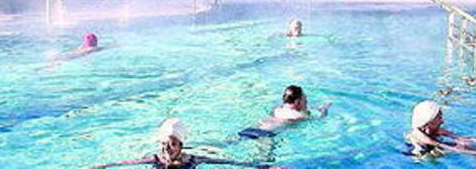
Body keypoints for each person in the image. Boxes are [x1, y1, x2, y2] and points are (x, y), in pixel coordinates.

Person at [87, 118, 282, 169]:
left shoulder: (193, 160)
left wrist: (266, 166)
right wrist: (101, 166)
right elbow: (125, 164)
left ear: (181, 145)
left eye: (171, 144)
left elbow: (232, 164)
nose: (166, 149)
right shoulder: (156, 159)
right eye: (163, 144)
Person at [405, 100, 476, 159]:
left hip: (436, 145)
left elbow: (462, 138)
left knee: (465, 144)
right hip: (421, 153)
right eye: (439, 118)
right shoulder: (419, 135)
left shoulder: (435, 128)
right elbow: (445, 146)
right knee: (440, 154)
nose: (443, 121)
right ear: (429, 121)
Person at [240, 85, 331, 139]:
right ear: (297, 101)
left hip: (251, 128)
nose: (307, 102)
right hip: (266, 134)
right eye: (305, 99)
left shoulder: (277, 109)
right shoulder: (299, 115)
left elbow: (292, 109)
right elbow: (319, 119)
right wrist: (324, 110)